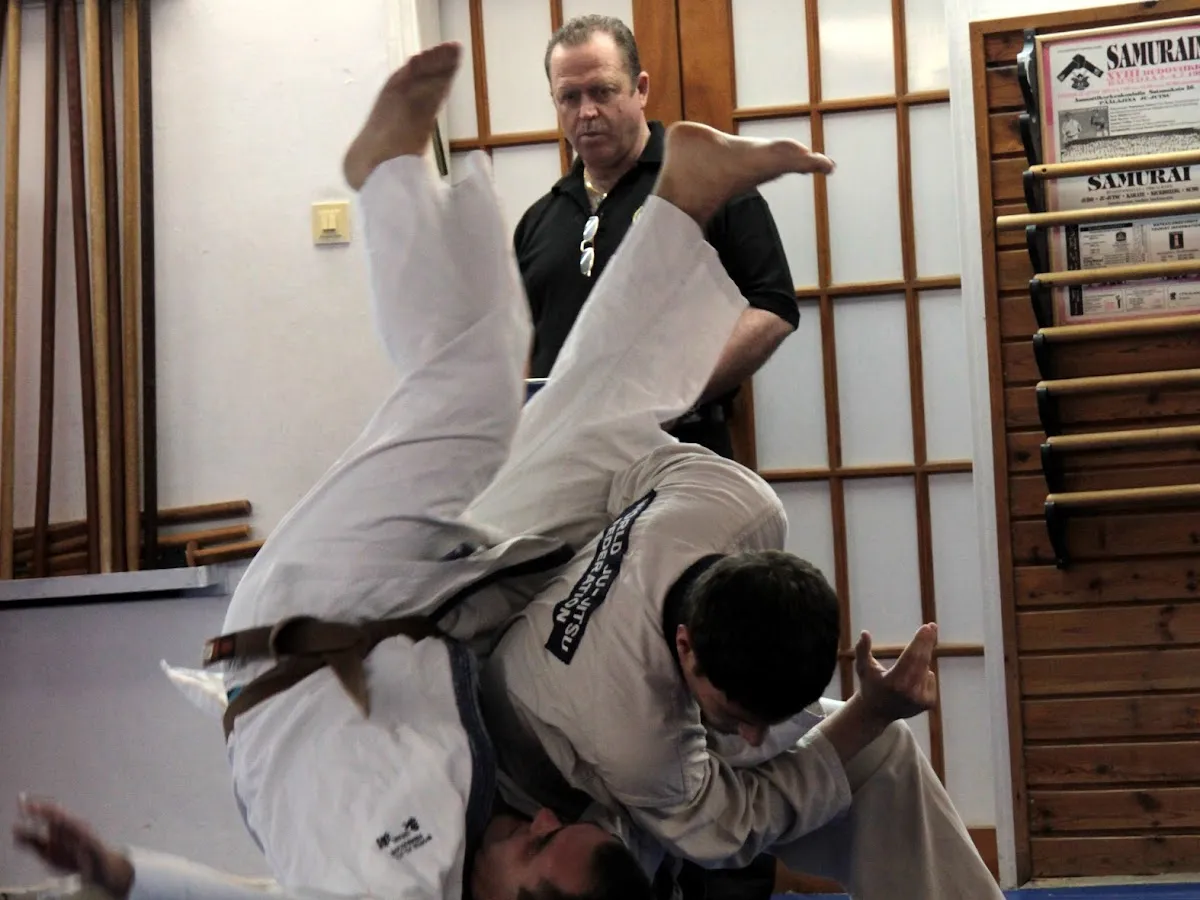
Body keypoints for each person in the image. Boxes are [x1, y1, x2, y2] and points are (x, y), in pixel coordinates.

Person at [12, 41, 839, 900]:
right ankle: (685, 195)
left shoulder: (400, 889)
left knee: (473, 395)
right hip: (399, 607)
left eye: (538, 848)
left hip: (301, 626)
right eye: (557, 828)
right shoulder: (552, 833)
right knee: (566, 403)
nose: (542, 820)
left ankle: (387, 175)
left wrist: (125, 875)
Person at [478, 470, 1008, 897]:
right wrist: (868, 712)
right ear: (687, 647)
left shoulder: (736, 503)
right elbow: (733, 830)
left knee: (880, 751)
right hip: (565, 796)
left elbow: (625, 468)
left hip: (624, 705)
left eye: (769, 717)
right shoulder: (641, 743)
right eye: (740, 717)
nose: (755, 737)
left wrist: (872, 719)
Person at [516, 14, 803, 461]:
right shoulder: (539, 220)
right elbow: (523, 343)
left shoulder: (705, 184)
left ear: (641, 89)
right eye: (569, 97)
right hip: (565, 465)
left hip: (681, 454)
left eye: (603, 91)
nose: (586, 112)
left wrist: (669, 399)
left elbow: (773, 307)